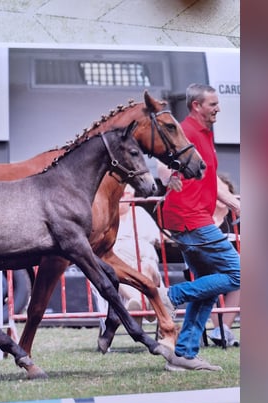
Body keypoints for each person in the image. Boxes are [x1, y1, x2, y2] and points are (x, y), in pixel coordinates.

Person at [156, 84, 241, 371]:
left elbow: (211, 181)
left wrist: (235, 203)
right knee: (238, 273)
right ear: (196, 106)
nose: (218, 108)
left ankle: (184, 355)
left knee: (208, 284)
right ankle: (170, 296)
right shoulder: (186, 130)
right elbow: (162, 164)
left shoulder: (204, 133)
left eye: (218, 104)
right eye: (212, 104)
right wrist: (169, 178)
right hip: (190, 218)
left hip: (193, 217)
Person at [112, 184, 161, 327]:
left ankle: (137, 305)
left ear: (132, 196)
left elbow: (157, 239)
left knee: (145, 267)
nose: (120, 198)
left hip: (145, 267)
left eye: (124, 194)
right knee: (115, 272)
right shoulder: (106, 216)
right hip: (121, 269)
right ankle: (142, 303)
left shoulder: (139, 212)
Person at [207, 173, 241, 347]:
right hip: (206, 267)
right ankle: (221, 329)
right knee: (208, 276)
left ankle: (223, 330)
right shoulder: (203, 219)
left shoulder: (237, 219)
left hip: (235, 268)